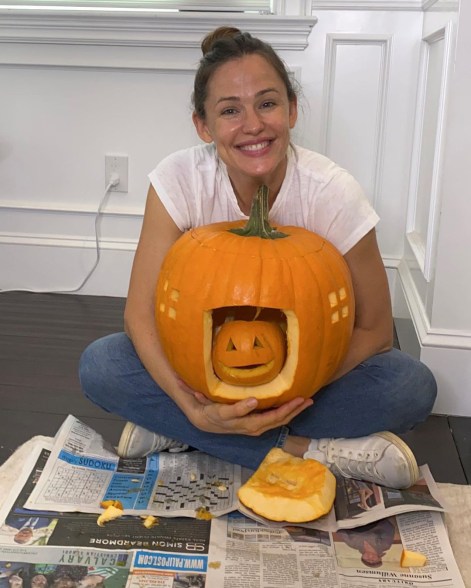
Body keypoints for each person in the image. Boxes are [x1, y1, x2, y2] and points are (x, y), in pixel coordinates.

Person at [79, 26, 437, 490]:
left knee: (411, 386)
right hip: (202, 377)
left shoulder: (332, 192)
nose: (253, 125)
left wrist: (286, 387)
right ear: (203, 126)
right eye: (230, 110)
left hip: (307, 382)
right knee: (101, 365)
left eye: (267, 103)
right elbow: (139, 316)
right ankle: (303, 450)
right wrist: (194, 407)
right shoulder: (178, 180)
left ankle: (182, 433)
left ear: (290, 109)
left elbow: (375, 330)